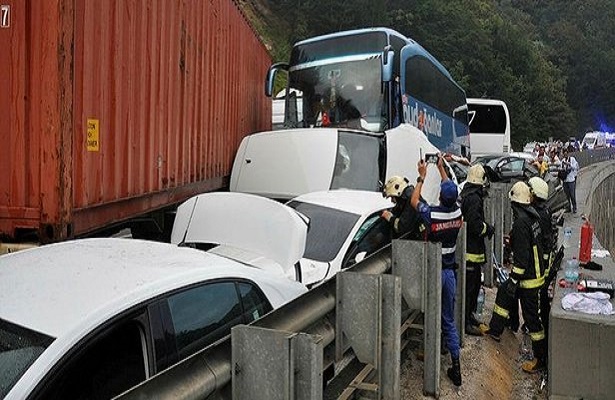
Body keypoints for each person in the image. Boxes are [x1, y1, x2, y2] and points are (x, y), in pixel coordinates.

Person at [410, 155, 464, 387]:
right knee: (448, 319)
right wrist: (442, 170)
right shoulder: (457, 214)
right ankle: (456, 366)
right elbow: (452, 193)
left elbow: (414, 201)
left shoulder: (432, 215)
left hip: (434, 274)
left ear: (441, 196)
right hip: (450, 274)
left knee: (430, 315)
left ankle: (430, 361)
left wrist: (422, 177)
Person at [484, 181, 547, 373]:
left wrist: (514, 279)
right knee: (504, 293)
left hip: (529, 278)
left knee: (532, 319)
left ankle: (540, 359)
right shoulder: (533, 217)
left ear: (516, 204)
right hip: (532, 273)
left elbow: (522, 257)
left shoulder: (521, 223)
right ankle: (496, 329)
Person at [459, 164, 494, 336]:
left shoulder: (469, 194)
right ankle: (465, 323)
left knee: (474, 288)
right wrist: (487, 229)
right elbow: (474, 225)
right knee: (470, 289)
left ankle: (470, 316)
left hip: (473, 251)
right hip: (471, 252)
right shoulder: (473, 198)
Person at [527, 177, 557, 343]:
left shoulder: (539, 214)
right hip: (544, 260)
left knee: (539, 296)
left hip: (542, 263)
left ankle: (540, 342)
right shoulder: (544, 210)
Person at [561, 147, 579, 213]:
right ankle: (569, 208)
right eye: (564, 154)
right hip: (565, 180)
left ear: (568, 154)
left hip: (571, 180)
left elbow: (576, 167)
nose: (565, 155)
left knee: (572, 195)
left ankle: (574, 207)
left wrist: (569, 164)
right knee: (567, 196)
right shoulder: (562, 160)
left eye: (566, 154)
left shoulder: (572, 159)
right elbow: (561, 169)